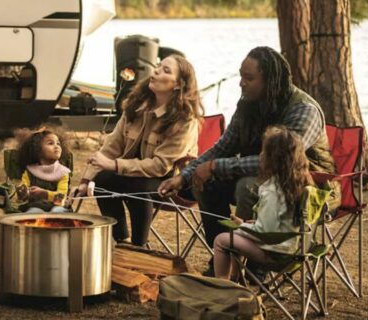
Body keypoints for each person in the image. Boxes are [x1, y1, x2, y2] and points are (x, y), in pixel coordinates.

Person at [158, 46, 338, 260]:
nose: (241, 83)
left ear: (270, 81)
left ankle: (255, 266)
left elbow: (278, 162)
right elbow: (222, 147)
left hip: (308, 186)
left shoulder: (303, 110)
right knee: (204, 181)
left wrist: (216, 166)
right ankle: (224, 254)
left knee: (248, 187)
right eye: (242, 76)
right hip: (265, 179)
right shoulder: (247, 105)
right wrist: (185, 175)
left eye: (249, 78)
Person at [77, 54, 202, 245]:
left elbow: (160, 166)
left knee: (138, 186)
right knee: (102, 180)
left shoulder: (185, 120)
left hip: (173, 183)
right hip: (135, 177)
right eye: (158, 66)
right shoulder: (135, 107)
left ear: (178, 85)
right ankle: (122, 240)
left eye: (166, 70)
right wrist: (86, 180)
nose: (156, 71)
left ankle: (139, 247)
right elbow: (111, 147)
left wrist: (114, 165)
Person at [213, 127, 312, 279]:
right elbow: (276, 224)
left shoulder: (273, 191)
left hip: (275, 254)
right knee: (237, 235)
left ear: (273, 159)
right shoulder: (299, 185)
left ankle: (221, 286)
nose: (260, 155)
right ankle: (234, 279)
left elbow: (262, 234)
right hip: (296, 248)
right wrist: (250, 225)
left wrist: (242, 226)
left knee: (221, 240)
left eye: (264, 152)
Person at [16, 129, 72, 213]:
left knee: (56, 212)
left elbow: (61, 198)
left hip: (58, 207)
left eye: (58, 143)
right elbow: (22, 196)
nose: (56, 146)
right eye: (50, 143)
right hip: (35, 207)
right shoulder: (30, 171)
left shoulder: (62, 173)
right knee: (33, 213)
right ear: (38, 150)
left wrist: (44, 193)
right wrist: (23, 193)